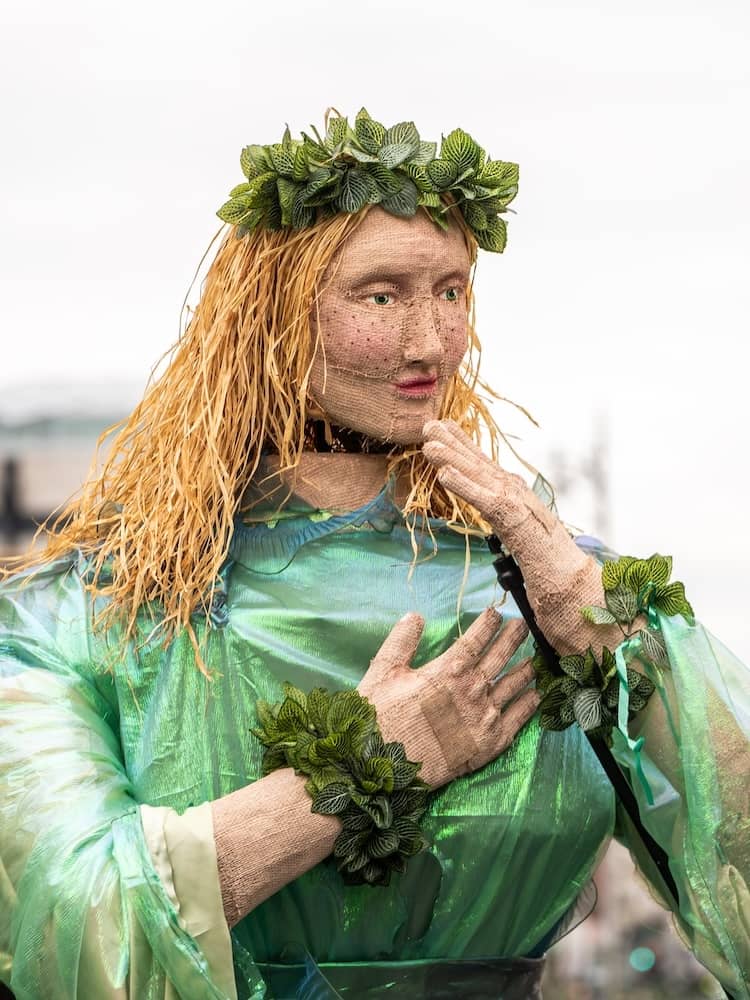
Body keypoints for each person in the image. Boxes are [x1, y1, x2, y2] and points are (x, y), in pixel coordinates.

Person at [0, 108, 748, 1000]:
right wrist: (369, 763)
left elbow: (736, 851)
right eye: (381, 296)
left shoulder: (540, 581)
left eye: (452, 292)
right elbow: (65, 926)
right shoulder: (91, 610)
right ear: (269, 314)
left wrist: (604, 629)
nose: (429, 343)